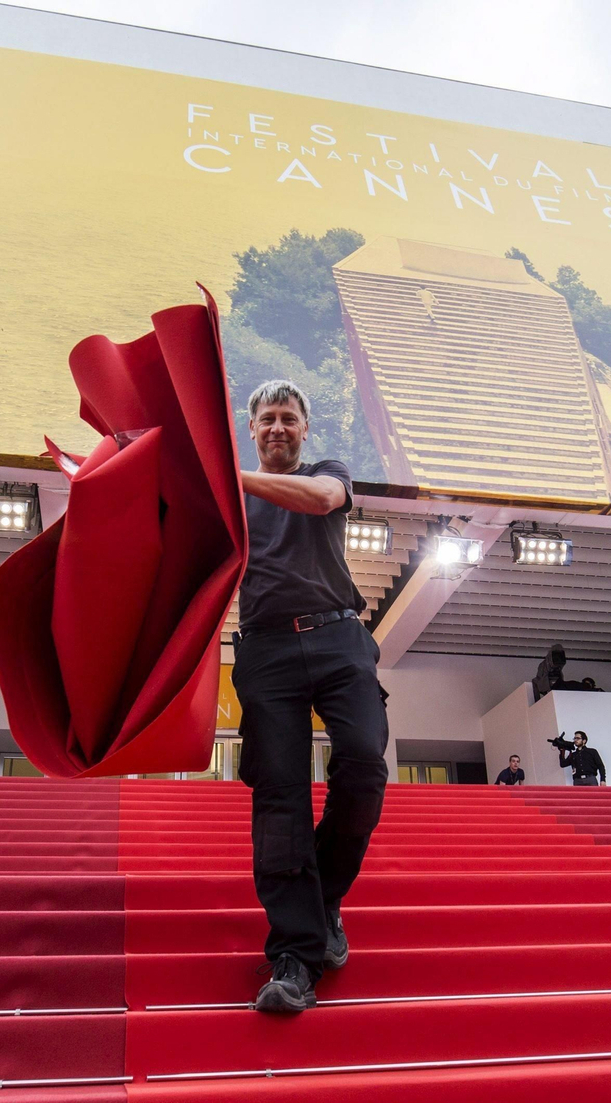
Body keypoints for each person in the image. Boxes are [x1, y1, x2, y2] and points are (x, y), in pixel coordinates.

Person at [232, 379, 389, 1014]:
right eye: (266, 418)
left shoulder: (328, 473)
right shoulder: (229, 499)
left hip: (338, 639)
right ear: (251, 429)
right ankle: (295, 955)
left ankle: (322, 894)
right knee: (280, 798)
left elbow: (323, 500)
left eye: (287, 419)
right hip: (265, 652)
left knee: (364, 765)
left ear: (304, 429)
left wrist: (226, 475)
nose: (276, 427)